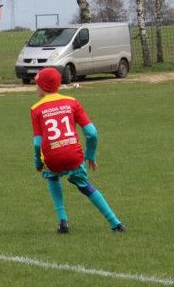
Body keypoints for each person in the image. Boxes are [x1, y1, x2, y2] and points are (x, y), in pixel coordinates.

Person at [30, 67, 125, 234]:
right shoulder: (72, 102)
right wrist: (90, 155)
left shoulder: (36, 109)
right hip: (73, 154)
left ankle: (62, 220)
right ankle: (115, 223)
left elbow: (38, 143)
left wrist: (38, 163)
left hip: (52, 157)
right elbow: (91, 132)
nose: (35, 86)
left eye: (37, 83)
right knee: (85, 186)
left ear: (43, 86)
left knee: (52, 177)